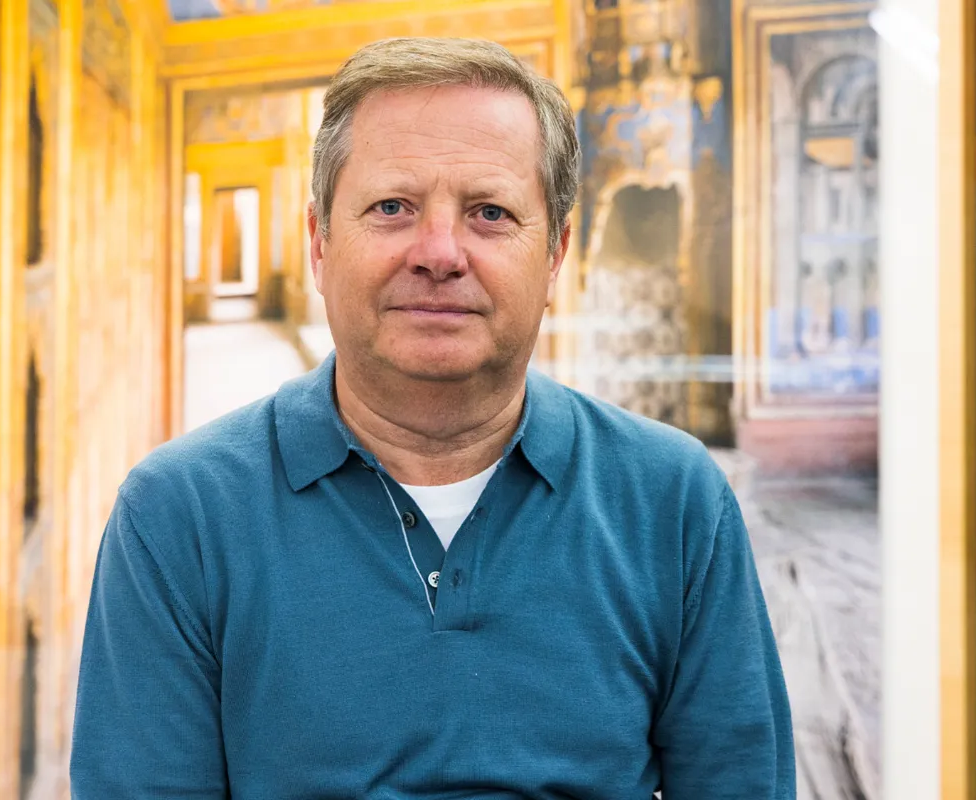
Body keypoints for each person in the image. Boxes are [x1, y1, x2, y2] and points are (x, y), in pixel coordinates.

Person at [70, 37, 795, 799]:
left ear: (556, 254)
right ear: (319, 243)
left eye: (490, 212)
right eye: (392, 208)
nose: (440, 253)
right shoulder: (178, 516)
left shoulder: (672, 501)